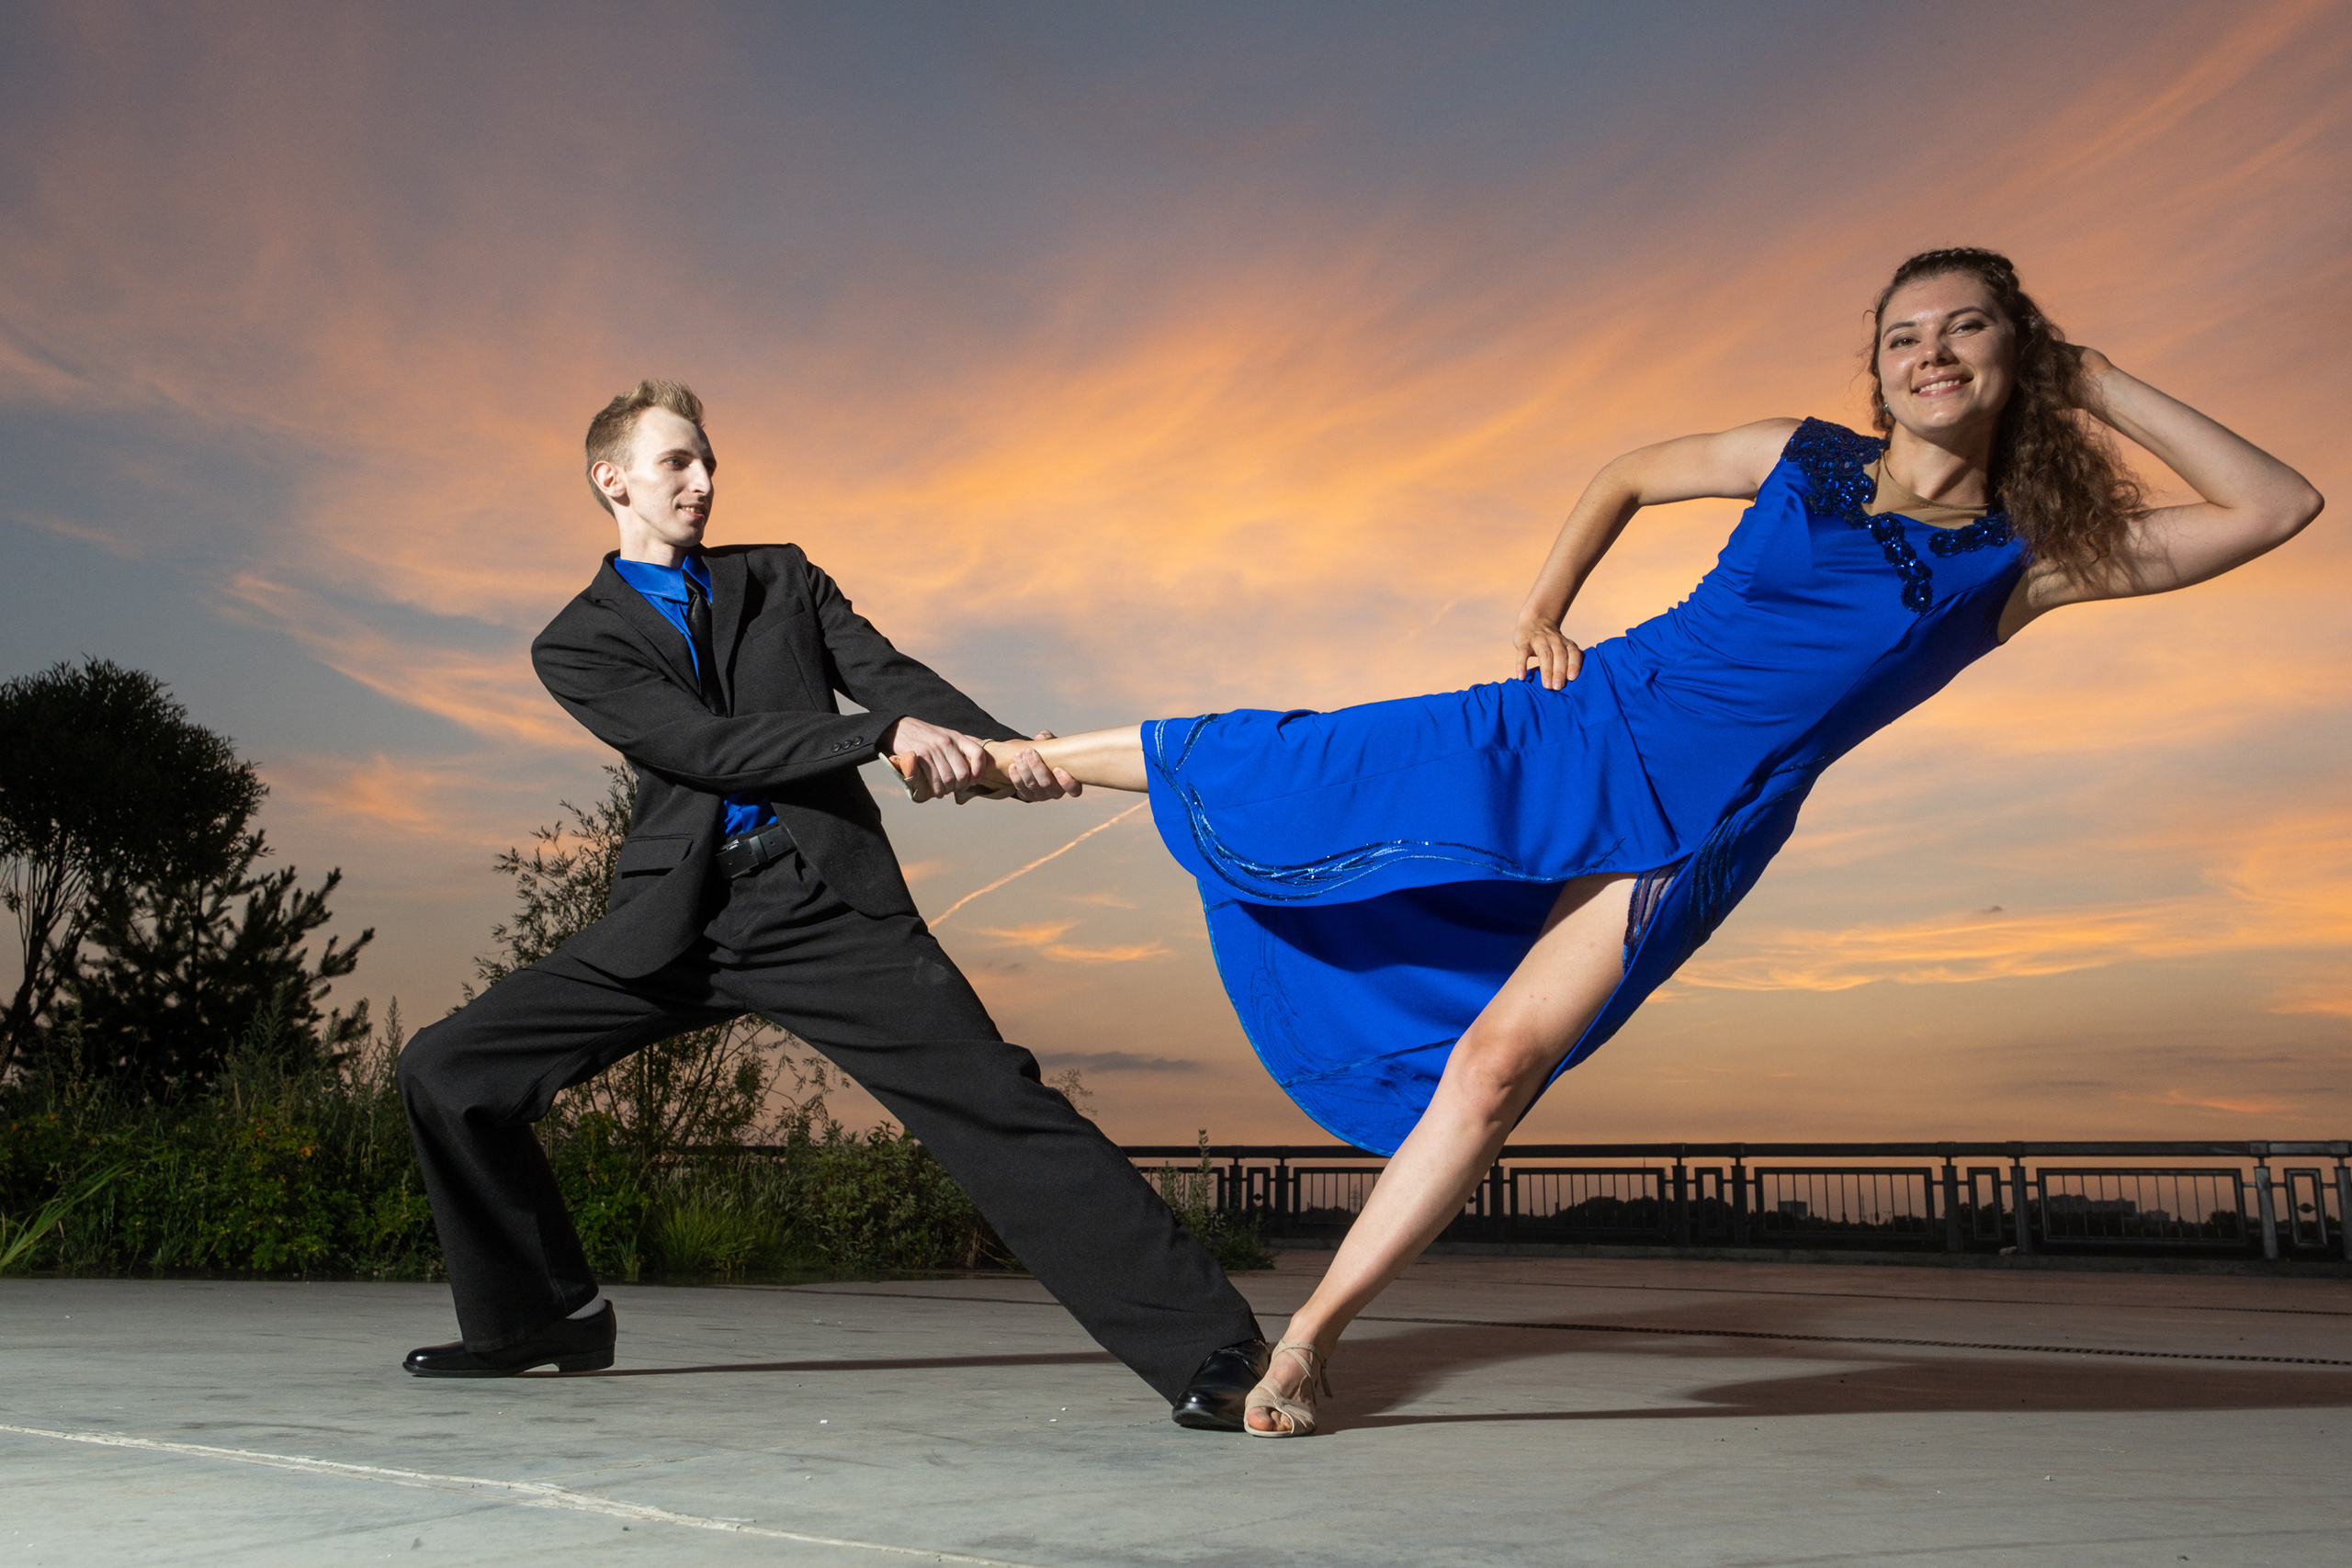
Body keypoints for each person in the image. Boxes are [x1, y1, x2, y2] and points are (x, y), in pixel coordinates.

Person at [894, 248, 2324, 1436]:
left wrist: (2096, 373)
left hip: (1698, 826)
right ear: (1873, 368)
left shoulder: (2019, 563)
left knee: (1502, 1063)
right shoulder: (1801, 457)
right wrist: (1543, 605)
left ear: (2021, 351)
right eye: (1902, 335)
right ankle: (1022, 765)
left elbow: (2278, 505)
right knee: (1301, 757)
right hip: (1584, 719)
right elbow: (1632, 468)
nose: (1930, 353)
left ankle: (1311, 1333)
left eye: (1967, 327)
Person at [396, 380, 1279, 1432]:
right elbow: (697, 748)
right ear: (611, 479)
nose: (704, 481)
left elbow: (887, 676)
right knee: (448, 1072)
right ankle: (541, 1318)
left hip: (823, 899)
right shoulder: (574, 643)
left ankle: (1211, 1345)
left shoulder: (782, 578)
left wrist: (1014, 753)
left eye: (710, 461)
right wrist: (874, 739)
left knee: (996, 1104)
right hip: (676, 917)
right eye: (677, 462)